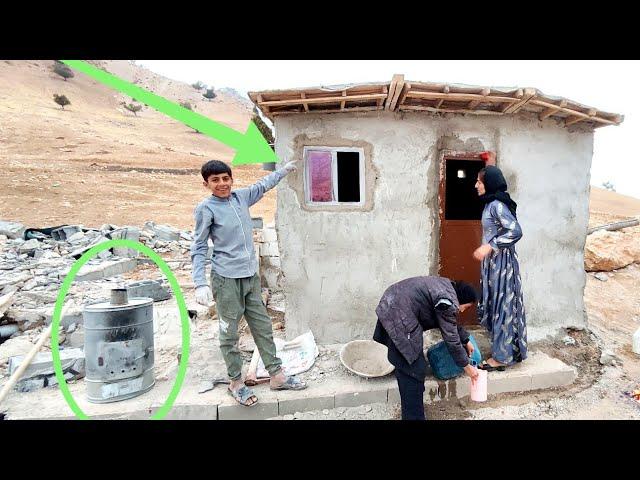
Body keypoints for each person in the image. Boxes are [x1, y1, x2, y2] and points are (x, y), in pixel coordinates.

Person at [191, 159, 307, 407]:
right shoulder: (206, 209)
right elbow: (199, 246)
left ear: (231, 179)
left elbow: (263, 185)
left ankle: (276, 376)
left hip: (250, 276)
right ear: (206, 184)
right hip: (226, 280)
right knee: (229, 333)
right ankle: (236, 382)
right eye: (215, 180)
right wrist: (199, 282)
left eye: (225, 178)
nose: (222, 184)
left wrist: (284, 170)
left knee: (263, 327)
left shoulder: (240, 198)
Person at [373, 276, 479, 420]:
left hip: (392, 303)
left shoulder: (446, 289)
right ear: (461, 300)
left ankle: (413, 402)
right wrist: (467, 367)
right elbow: (451, 340)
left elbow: (450, 322)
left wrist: (466, 339)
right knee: (413, 370)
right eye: (465, 307)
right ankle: (413, 416)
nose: (462, 311)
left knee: (407, 365)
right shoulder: (448, 302)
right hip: (399, 315)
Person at [473, 161, 528, 371]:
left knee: (504, 307)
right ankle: (503, 351)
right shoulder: (490, 203)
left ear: (489, 183)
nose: (476, 185)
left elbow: (515, 231)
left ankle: (502, 358)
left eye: (479, 181)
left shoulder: (497, 205)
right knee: (497, 306)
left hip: (502, 265)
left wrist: (490, 246)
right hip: (493, 265)